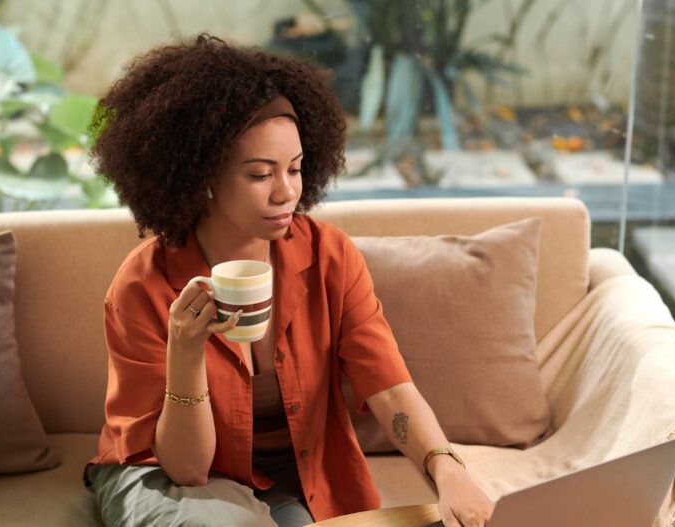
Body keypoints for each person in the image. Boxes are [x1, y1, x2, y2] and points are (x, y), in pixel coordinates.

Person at [82, 34, 494, 527]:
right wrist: (185, 349)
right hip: (161, 471)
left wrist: (445, 468)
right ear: (203, 178)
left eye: (295, 169)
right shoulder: (142, 287)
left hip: (288, 478)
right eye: (259, 175)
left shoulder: (328, 256)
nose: (286, 193)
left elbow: (387, 388)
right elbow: (187, 469)